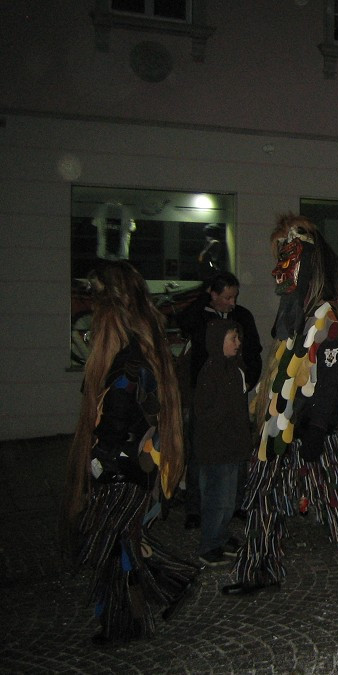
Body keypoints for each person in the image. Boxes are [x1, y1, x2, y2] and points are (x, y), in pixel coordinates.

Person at [221, 214, 338, 596]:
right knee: (263, 498)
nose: (279, 268)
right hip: (277, 429)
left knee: (333, 498)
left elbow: (337, 383)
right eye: (279, 256)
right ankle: (258, 570)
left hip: (313, 431)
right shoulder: (296, 320)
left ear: (310, 262)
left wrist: (316, 430)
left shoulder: (333, 318)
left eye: (289, 256)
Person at [60, 260, 197, 645]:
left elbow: (123, 417)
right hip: (131, 469)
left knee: (108, 544)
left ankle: (166, 585)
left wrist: (101, 460)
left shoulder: (130, 363)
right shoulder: (134, 352)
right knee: (120, 543)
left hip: (125, 471)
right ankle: (132, 618)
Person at [177, 271, 262, 530]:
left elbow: (253, 351)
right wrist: (203, 300)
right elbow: (183, 324)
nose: (232, 303)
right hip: (202, 393)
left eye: (235, 296)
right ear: (213, 294)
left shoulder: (242, 316)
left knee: (237, 450)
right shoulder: (199, 316)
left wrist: (249, 381)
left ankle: (235, 503)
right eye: (226, 297)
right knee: (200, 452)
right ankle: (196, 508)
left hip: (236, 392)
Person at [193, 319, 254, 567]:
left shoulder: (234, 369)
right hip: (217, 449)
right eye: (233, 339)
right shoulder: (212, 372)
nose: (238, 344)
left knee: (229, 498)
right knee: (218, 499)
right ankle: (209, 544)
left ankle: (220, 535)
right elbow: (206, 414)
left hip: (233, 446)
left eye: (238, 338)